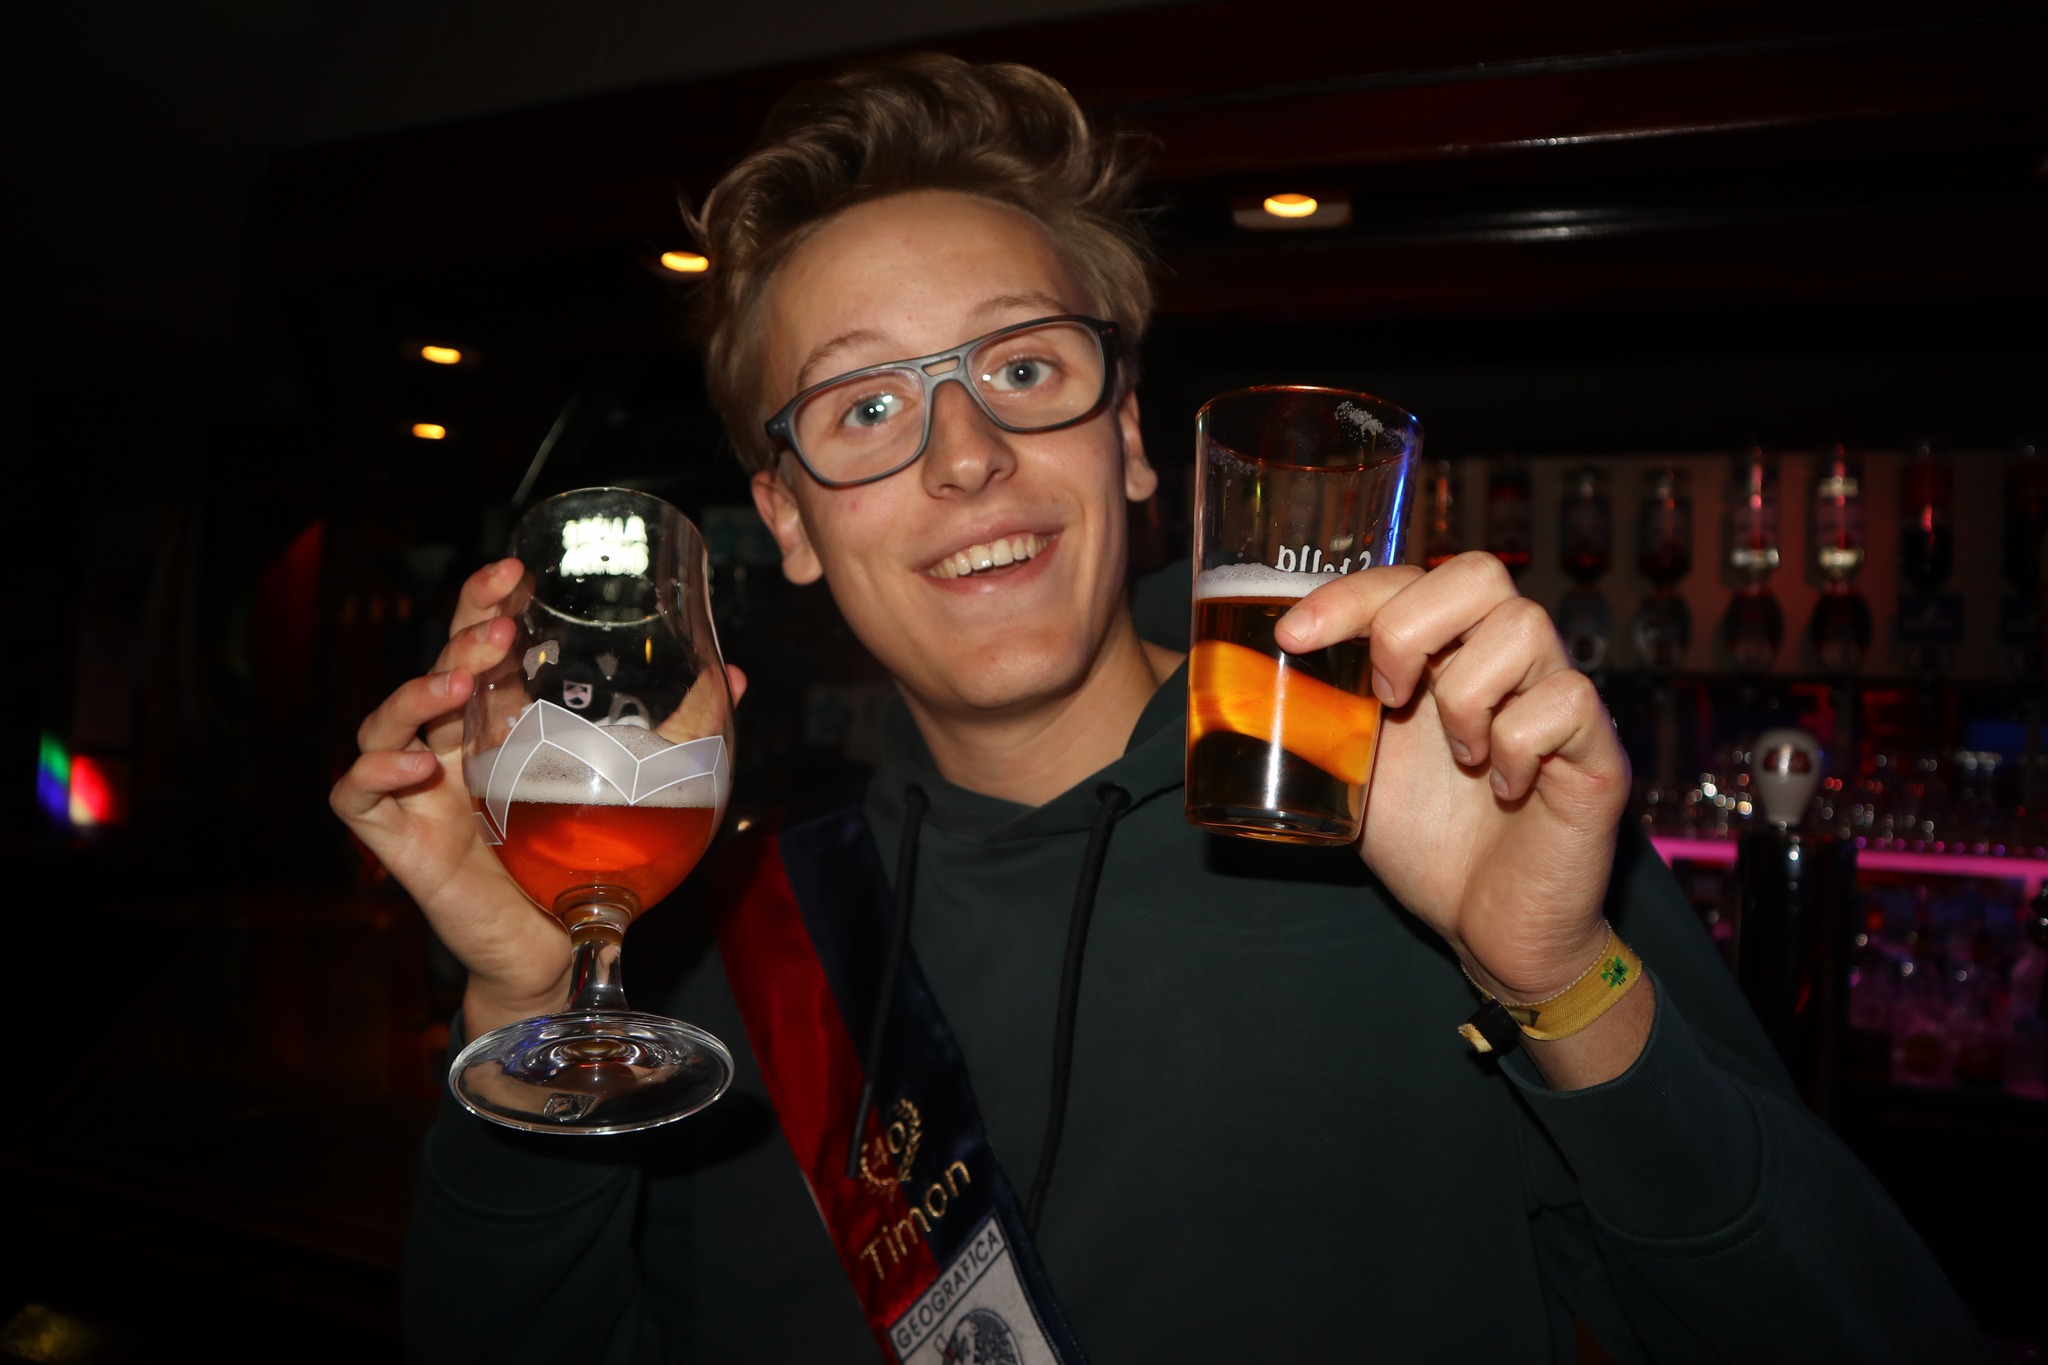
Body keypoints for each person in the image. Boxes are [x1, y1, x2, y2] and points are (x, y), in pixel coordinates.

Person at [334, 54, 1983, 1363]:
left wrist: (1558, 982)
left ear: (1129, 435)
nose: (966, 456)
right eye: (864, 406)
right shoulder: (728, 945)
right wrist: (524, 1005)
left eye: (1023, 369)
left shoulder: (1425, 805)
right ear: (790, 522)